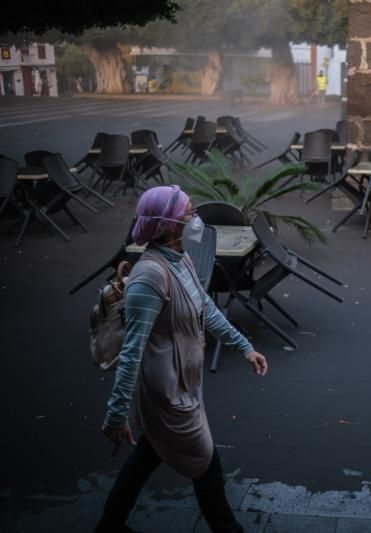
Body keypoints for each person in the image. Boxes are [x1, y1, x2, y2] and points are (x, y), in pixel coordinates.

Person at [95, 185, 268, 533]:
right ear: (169, 224)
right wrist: (116, 415)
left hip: (185, 384)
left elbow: (206, 307)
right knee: (207, 465)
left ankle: (109, 525)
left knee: (148, 455)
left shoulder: (181, 258)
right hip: (167, 394)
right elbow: (132, 351)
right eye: (189, 213)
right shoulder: (150, 276)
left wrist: (243, 346)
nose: (196, 219)